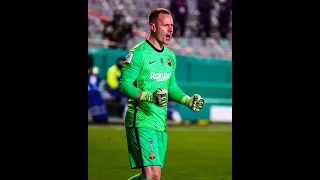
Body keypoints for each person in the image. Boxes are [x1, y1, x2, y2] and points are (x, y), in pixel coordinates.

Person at [118, 8, 204, 180]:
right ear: (153, 27)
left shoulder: (170, 57)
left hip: (160, 122)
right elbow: (124, 85)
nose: (171, 29)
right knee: (153, 175)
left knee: (150, 176)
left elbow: (171, 87)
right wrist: (150, 97)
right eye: (166, 25)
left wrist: (188, 100)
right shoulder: (138, 54)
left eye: (172, 25)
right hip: (141, 119)